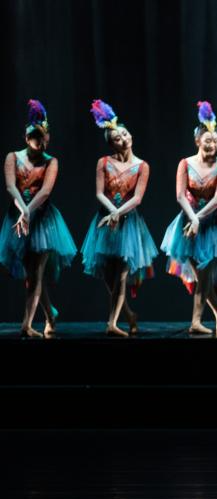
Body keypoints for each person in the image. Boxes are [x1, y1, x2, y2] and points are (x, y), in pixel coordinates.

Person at [160, 101, 217, 334]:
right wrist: (193, 219)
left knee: (204, 275)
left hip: (214, 226)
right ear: (197, 141)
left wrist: (199, 218)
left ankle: (196, 321)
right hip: (188, 225)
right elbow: (180, 195)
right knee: (200, 276)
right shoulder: (185, 163)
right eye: (208, 140)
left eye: (216, 140)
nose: (212, 144)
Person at [80, 100, 158, 336]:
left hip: (128, 225)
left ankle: (112, 323)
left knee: (122, 276)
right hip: (105, 222)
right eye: (117, 138)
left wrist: (118, 212)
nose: (123, 139)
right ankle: (129, 315)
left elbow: (137, 198)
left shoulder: (142, 166)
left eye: (124, 134)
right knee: (109, 277)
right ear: (111, 143)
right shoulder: (104, 162)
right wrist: (111, 211)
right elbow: (99, 193)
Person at [1, 99, 76, 337]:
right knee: (32, 275)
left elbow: (45, 192)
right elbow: (11, 187)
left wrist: (27, 211)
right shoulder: (13, 157)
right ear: (27, 139)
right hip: (18, 219)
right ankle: (50, 315)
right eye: (36, 139)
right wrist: (22, 211)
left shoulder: (51, 161)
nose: (41, 143)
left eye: (44, 138)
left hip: (43, 222)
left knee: (36, 275)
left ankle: (27, 324)